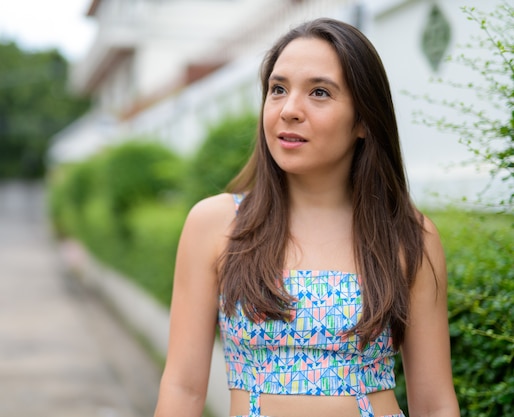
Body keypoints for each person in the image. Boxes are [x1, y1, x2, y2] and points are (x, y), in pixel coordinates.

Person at [153, 17, 460, 417]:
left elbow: (434, 403)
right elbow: (182, 389)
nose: (289, 110)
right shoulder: (216, 224)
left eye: (319, 92)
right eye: (278, 89)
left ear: (364, 119)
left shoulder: (408, 236)